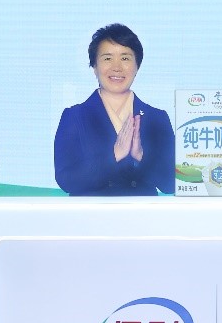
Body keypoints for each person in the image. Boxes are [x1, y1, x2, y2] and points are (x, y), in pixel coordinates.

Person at [54, 24, 176, 196]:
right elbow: (66, 180)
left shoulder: (157, 118)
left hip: (143, 212)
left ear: (137, 66)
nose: (117, 67)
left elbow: (171, 183)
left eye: (125, 58)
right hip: (90, 212)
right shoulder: (75, 116)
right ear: (94, 67)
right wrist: (114, 155)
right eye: (107, 58)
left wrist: (141, 156)